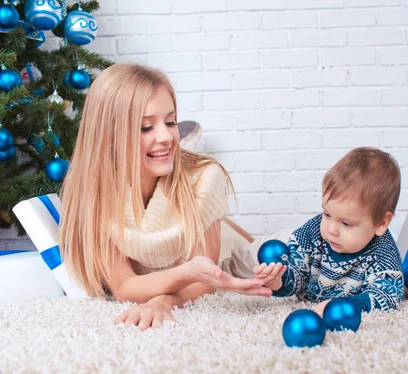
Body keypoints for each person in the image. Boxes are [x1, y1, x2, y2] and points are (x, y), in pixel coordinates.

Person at [58, 63, 271, 330]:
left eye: (170, 122)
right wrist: (186, 272)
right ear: (109, 137)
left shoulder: (205, 177)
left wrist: (163, 301)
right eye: (146, 127)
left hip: (237, 257)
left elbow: (206, 282)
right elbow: (124, 285)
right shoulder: (98, 194)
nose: (167, 136)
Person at [222, 147, 404, 316]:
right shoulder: (312, 234)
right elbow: (297, 271)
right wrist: (278, 281)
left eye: (346, 224)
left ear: (381, 223)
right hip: (290, 247)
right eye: (327, 214)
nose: (331, 229)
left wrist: (348, 305)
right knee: (246, 262)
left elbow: (387, 295)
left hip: (342, 303)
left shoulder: (383, 254)